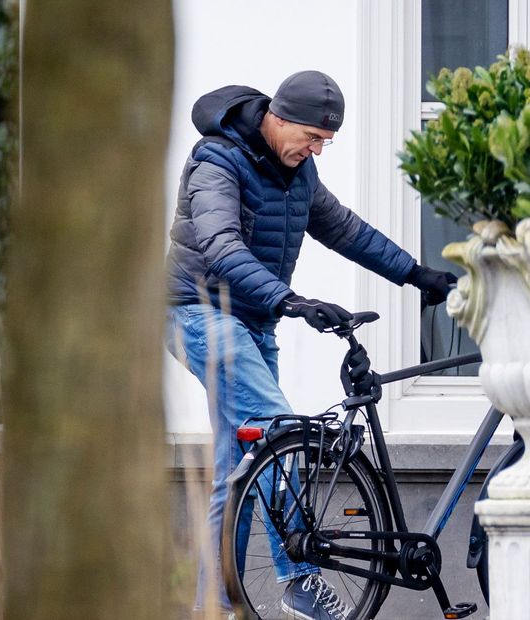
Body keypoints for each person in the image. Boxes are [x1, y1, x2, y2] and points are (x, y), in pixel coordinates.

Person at [164, 70, 456, 619]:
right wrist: (291, 301)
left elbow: (343, 229)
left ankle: (211, 605)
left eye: (326, 142)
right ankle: (299, 580)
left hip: (255, 320)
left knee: (240, 467)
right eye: (313, 138)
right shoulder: (217, 162)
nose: (317, 149)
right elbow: (221, 247)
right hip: (199, 313)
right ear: (278, 118)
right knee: (280, 434)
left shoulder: (300, 172)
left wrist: (415, 276)